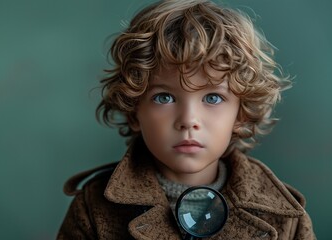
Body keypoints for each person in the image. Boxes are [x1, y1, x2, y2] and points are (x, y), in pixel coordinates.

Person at [57, 0, 316, 239]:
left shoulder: (285, 215)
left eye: (213, 98)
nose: (188, 120)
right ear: (134, 111)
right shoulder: (93, 207)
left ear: (241, 114)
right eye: (164, 98)